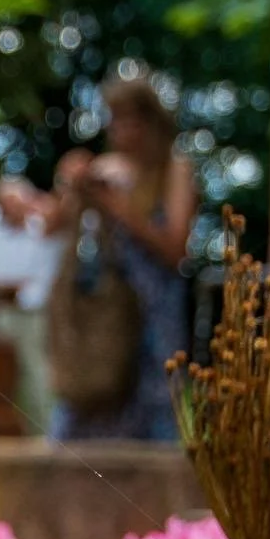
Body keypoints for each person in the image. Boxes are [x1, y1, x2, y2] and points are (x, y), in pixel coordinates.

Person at [49, 77, 197, 442]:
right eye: (114, 121)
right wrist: (70, 184)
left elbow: (176, 249)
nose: (121, 131)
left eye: (131, 121)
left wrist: (118, 208)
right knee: (93, 404)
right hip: (107, 315)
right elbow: (54, 227)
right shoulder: (106, 167)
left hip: (155, 316)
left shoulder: (174, 170)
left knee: (157, 416)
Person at [0, 177, 66, 434]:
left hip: (35, 313)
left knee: (37, 372)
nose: (11, 208)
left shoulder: (44, 231)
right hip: (2, 312)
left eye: (15, 201)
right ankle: (5, 430)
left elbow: (49, 277)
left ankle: (45, 431)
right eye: (5, 203)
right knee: (0, 372)